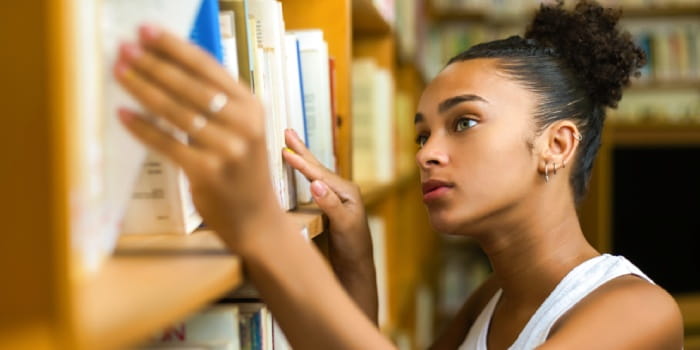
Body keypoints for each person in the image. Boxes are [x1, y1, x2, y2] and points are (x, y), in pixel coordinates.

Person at [113, 0, 684, 348]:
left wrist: (259, 225)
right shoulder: (496, 296)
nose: (426, 154)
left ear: (556, 145)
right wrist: (354, 255)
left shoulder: (637, 313)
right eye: (421, 134)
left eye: (463, 123)